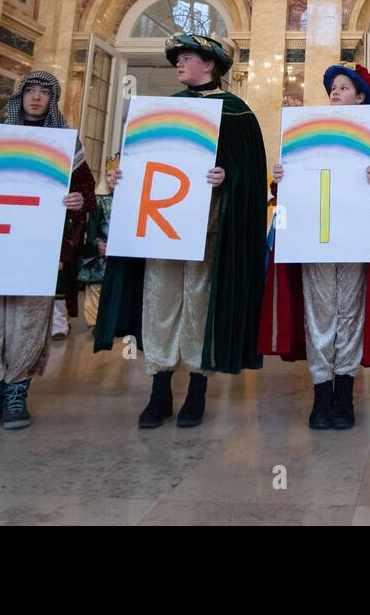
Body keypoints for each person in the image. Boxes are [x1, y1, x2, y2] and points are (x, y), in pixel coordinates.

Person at [98, 34, 268, 429]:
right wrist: (121, 174)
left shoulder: (236, 112)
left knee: (198, 305)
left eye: (187, 57)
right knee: (159, 301)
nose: (178, 64)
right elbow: (143, 163)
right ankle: (159, 390)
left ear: (209, 65)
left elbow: (251, 176)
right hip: (162, 228)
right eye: (178, 59)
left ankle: (197, 389)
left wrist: (229, 176)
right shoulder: (163, 110)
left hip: (209, 231)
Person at [260, 63, 370, 430]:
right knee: (319, 314)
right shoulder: (307, 135)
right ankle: (320, 393)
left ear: (361, 97)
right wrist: (281, 179)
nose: (335, 91)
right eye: (333, 87)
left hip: (355, 242)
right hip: (314, 241)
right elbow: (295, 194)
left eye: (344, 87)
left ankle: (344, 392)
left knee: (350, 314)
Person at [0, 71, 95, 432]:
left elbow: (86, 193)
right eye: (29, 91)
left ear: (52, 100)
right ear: (19, 98)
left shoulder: (67, 144)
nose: (35, 98)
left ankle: (17, 391)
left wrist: (76, 202)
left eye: (43, 93)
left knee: (29, 320)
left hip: (39, 245)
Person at [77, 155, 118, 332]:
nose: (112, 179)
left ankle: (110, 320)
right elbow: (92, 226)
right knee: (96, 287)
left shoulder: (128, 201)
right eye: (109, 175)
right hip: (100, 252)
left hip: (119, 252)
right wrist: (98, 244)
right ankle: (94, 322)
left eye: (116, 176)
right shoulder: (99, 200)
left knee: (113, 288)